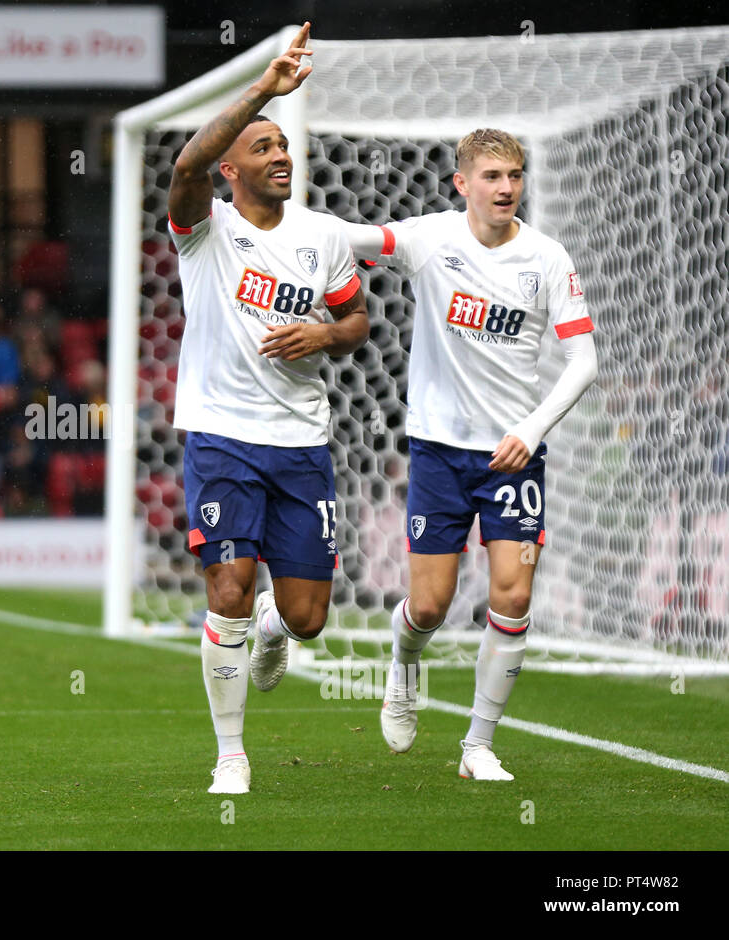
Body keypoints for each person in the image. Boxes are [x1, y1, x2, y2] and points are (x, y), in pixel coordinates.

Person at [332, 128, 598, 780]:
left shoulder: (547, 258)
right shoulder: (430, 240)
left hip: (514, 455)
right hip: (440, 452)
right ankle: (404, 665)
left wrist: (532, 430)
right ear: (462, 184)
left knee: (512, 596)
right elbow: (356, 237)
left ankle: (477, 745)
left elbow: (583, 359)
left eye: (514, 175)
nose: (506, 187)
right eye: (492, 176)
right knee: (428, 607)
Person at [167, 22, 368, 794]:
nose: (281, 156)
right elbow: (185, 163)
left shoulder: (324, 238)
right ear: (231, 169)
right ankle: (231, 755)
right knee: (227, 589)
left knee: (309, 614)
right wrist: (263, 88)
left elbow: (357, 323)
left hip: (301, 441)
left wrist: (326, 329)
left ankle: (279, 634)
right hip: (223, 437)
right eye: (264, 148)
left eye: (284, 147)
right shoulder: (204, 232)